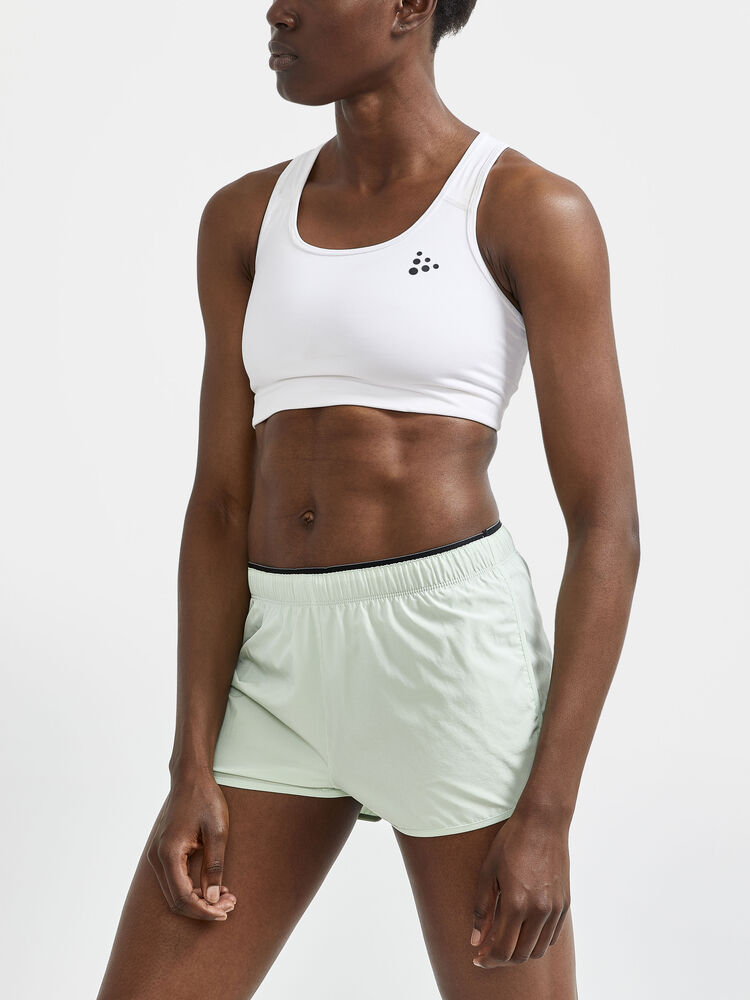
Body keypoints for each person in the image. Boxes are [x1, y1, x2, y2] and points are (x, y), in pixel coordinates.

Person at [96, 2, 640, 998]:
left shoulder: (528, 209)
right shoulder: (243, 219)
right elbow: (219, 505)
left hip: (447, 662)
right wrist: (191, 762)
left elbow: (608, 524)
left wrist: (549, 814)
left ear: (407, 7)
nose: (277, 10)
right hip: (277, 669)